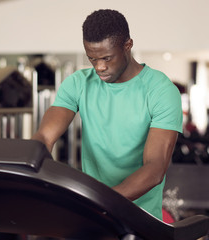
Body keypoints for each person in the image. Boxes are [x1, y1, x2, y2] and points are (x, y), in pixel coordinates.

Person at [31, 9, 183, 220]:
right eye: (92, 59)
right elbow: (44, 138)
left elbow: (155, 168)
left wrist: (100, 202)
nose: (100, 67)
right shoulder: (78, 83)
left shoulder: (161, 90)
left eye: (107, 58)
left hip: (140, 218)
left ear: (128, 45)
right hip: (93, 216)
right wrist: (30, 166)